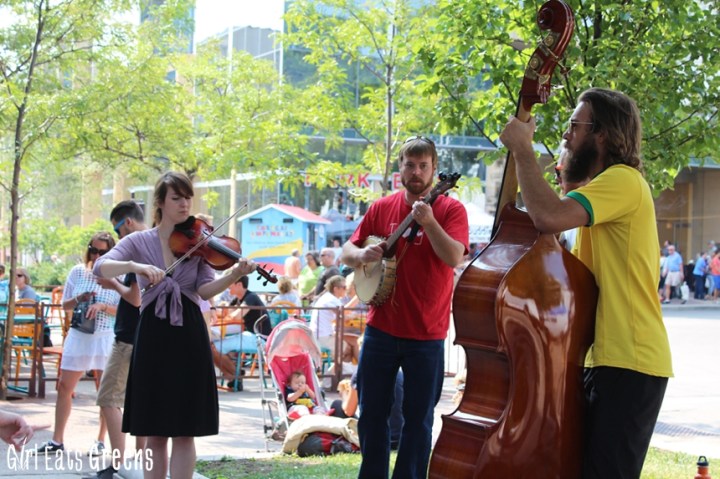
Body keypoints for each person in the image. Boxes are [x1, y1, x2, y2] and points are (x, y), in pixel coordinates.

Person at [499, 87, 673, 478]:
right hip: (607, 359)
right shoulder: (601, 191)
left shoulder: (624, 180)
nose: (565, 135)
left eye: (574, 126)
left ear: (602, 134)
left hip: (631, 359)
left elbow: (548, 215)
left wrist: (524, 151)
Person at [93, 171, 257, 479]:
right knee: (155, 429)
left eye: (187, 197)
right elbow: (101, 266)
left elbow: (204, 290)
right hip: (154, 331)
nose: (184, 204)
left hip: (189, 330)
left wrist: (234, 275)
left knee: (185, 429)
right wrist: (134, 265)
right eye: (176, 198)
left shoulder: (199, 241)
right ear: (160, 202)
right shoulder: (139, 241)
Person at [341, 135, 468, 478]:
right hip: (381, 328)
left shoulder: (450, 209)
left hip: (427, 333)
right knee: (371, 414)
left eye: (423, 166)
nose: (416, 172)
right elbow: (347, 252)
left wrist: (429, 222)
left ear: (435, 170)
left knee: (418, 419)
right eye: (410, 165)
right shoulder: (381, 207)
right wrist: (362, 255)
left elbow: (455, 255)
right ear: (400, 168)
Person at [34, 232, 121, 457]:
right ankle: (57, 440)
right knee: (65, 386)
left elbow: (128, 307)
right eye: (94, 250)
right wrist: (80, 298)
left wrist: (103, 306)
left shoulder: (118, 275)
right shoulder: (78, 271)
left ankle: (100, 440)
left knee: (104, 392)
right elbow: (65, 305)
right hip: (79, 333)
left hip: (104, 335)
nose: (97, 255)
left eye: (103, 252)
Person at [90, 200, 147, 479]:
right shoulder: (151, 246)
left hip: (128, 336)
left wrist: (111, 283)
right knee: (139, 403)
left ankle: (117, 465)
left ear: (127, 223)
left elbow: (135, 299)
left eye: (116, 228)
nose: (117, 235)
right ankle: (141, 465)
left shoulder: (138, 250)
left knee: (108, 398)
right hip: (141, 336)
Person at [309, 275, 346, 364]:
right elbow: (345, 313)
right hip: (321, 337)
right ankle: (338, 373)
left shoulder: (328, 297)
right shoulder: (331, 300)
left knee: (345, 347)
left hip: (319, 335)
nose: (346, 289)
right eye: (344, 287)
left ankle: (337, 372)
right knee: (347, 347)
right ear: (336, 289)